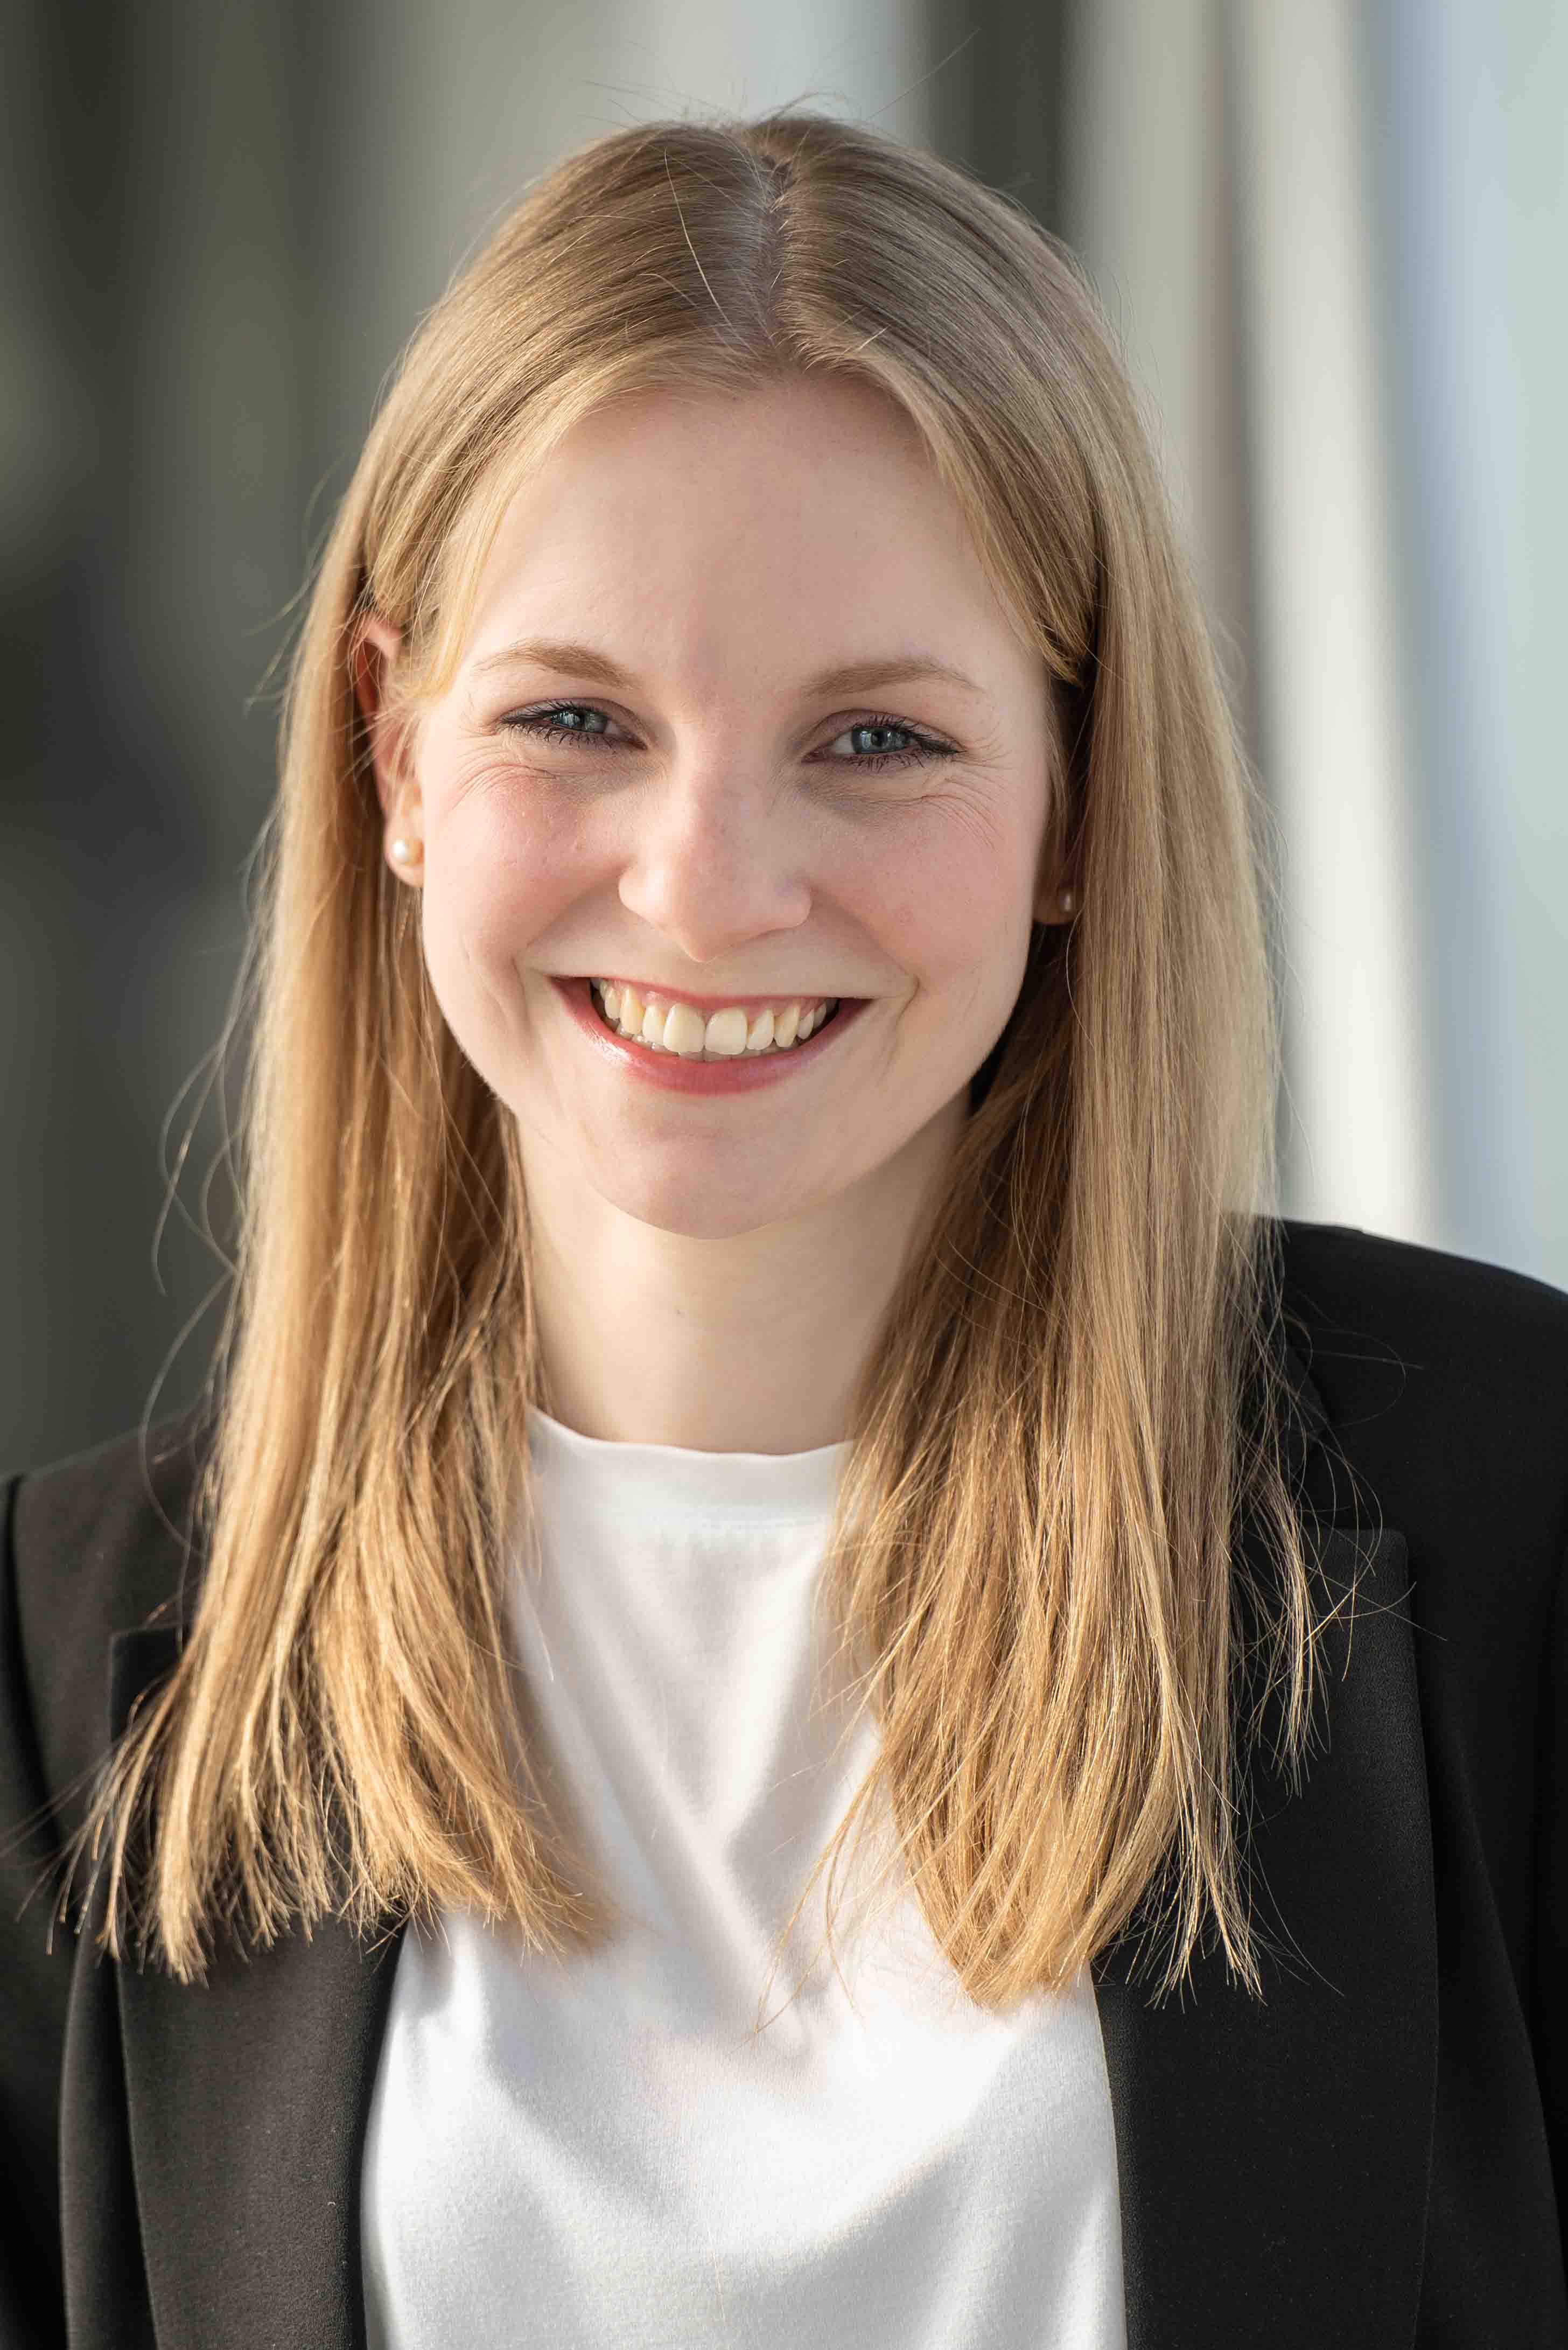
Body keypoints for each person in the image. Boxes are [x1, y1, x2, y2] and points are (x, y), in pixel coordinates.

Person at [1, 103, 1564, 2350]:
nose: (709, 882)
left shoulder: (1505, 1519)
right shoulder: (55, 1688)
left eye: (873, 740)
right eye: (571, 717)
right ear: (392, 753)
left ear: (1072, 801)